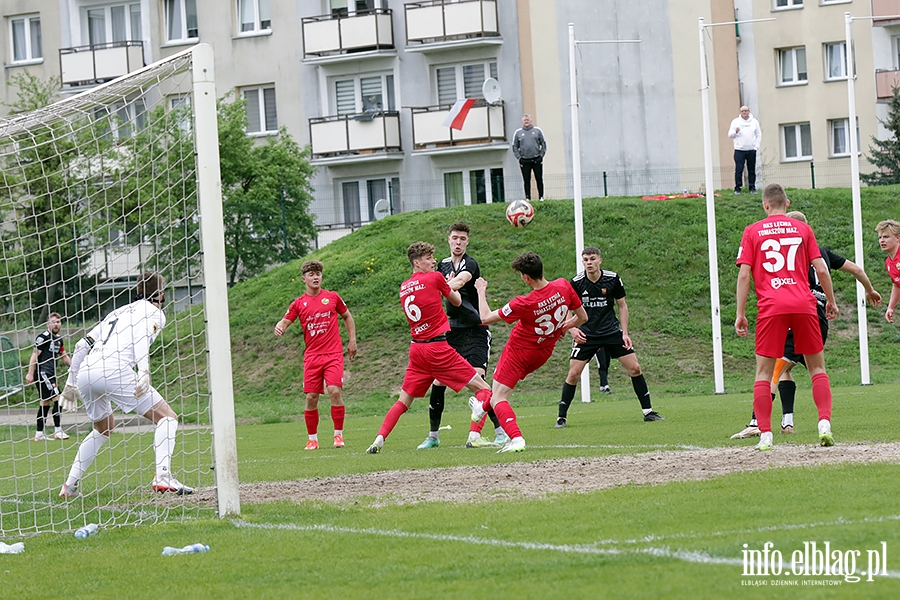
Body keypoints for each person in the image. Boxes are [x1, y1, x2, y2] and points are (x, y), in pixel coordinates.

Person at [731, 211, 881, 439]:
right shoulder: (822, 252)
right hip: (816, 316)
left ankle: (757, 423)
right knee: (795, 369)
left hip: (789, 310)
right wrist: (867, 290)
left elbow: (751, 275)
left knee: (773, 369)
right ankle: (790, 421)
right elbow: (856, 270)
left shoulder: (786, 248)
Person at [366, 243, 525, 454]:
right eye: (429, 258)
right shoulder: (435, 278)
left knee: (404, 400)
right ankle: (505, 434)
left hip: (416, 349)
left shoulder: (404, 286)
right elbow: (457, 301)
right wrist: (448, 285)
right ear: (417, 262)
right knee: (484, 389)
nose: (434, 262)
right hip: (437, 348)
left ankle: (379, 439)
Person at [59, 272, 192, 497]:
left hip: (87, 372)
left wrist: (71, 383)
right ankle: (163, 476)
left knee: (104, 428)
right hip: (114, 370)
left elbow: (82, 345)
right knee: (167, 417)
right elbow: (141, 338)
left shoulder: (116, 312)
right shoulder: (155, 313)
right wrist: (144, 372)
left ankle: (70, 486)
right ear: (161, 294)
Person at [735, 184, 838, 451]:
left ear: (765, 205)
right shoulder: (803, 229)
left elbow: (744, 275)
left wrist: (740, 313)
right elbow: (822, 269)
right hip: (804, 303)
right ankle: (824, 424)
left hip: (771, 306)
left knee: (764, 373)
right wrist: (832, 301)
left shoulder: (752, 231)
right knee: (817, 368)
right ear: (787, 203)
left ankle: (766, 434)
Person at [470, 252, 588, 450]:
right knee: (499, 391)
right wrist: (562, 328)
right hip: (543, 352)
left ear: (525, 277)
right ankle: (481, 409)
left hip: (519, 352)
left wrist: (480, 291)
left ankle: (516, 439)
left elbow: (485, 317)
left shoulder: (523, 303)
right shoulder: (563, 286)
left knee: (499, 397)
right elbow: (582, 317)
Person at [417, 223, 508, 450]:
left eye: (462, 239)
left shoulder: (471, 263)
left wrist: (440, 286)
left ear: (467, 242)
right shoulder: (443, 264)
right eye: (455, 238)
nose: (458, 242)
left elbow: (460, 281)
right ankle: (433, 436)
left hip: (475, 329)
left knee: (478, 381)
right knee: (438, 382)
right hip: (452, 332)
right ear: (448, 239)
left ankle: (500, 433)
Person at [556, 247, 664, 428]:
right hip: (587, 334)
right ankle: (561, 417)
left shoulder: (612, 279)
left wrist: (625, 332)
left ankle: (648, 412)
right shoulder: (576, 282)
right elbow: (567, 308)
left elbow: (622, 305)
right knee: (574, 374)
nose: (589, 262)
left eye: (592, 259)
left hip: (611, 331)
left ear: (600, 260)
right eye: (585, 259)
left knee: (635, 368)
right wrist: (573, 330)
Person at [275, 260, 357, 450]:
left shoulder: (333, 297)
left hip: (333, 354)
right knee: (311, 397)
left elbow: (347, 316)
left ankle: (338, 436)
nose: (315, 277)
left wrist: (352, 340)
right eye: (311, 274)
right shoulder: (299, 303)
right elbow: (286, 320)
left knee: (334, 391)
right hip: (312, 357)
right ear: (304, 279)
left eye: (318, 274)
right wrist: (280, 326)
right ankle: (312, 439)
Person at [25, 313, 72, 441]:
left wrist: (75, 367)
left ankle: (39, 433)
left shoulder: (58, 340)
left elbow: (64, 355)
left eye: (58, 322)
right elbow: (34, 356)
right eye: (53, 322)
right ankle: (57, 431)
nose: (56, 324)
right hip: (42, 373)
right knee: (59, 398)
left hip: (51, 374)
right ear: (48, 324)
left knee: (45, 402)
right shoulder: (43, 338)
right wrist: (30, 373)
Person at [512, 114, 547, 201]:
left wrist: (541, 156)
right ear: (522, 121)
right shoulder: (518, 133)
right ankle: (528, 197)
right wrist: (519, 158)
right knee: (526, 179)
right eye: (525, 120)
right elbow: (515, 146)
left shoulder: (537, 131)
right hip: (524, 160)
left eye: (528, 120)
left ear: (531, 121)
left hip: (536, 159)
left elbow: (543, 144)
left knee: (539, 178)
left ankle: (541, 197)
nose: (526, 121)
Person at [728, 106, 761, 195]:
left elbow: (758, 134)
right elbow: (730, 134)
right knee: (739, 169)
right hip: (739, 150)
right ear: (740, 112)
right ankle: (738, 188)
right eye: (742, 111)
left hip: (751, 150)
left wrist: (756, 147)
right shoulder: (735, 122)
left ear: (749, 111)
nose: (744, 112)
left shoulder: (754, 122)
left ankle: (752, 188)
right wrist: (736, 131)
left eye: (746, 111)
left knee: (751, 170)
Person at [875, 219, 900, 323]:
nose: (882, 240)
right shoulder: (889, 262)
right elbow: (897, 284)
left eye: (886, 237)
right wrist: (890, 307)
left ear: (898, 238)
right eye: (880, 237)